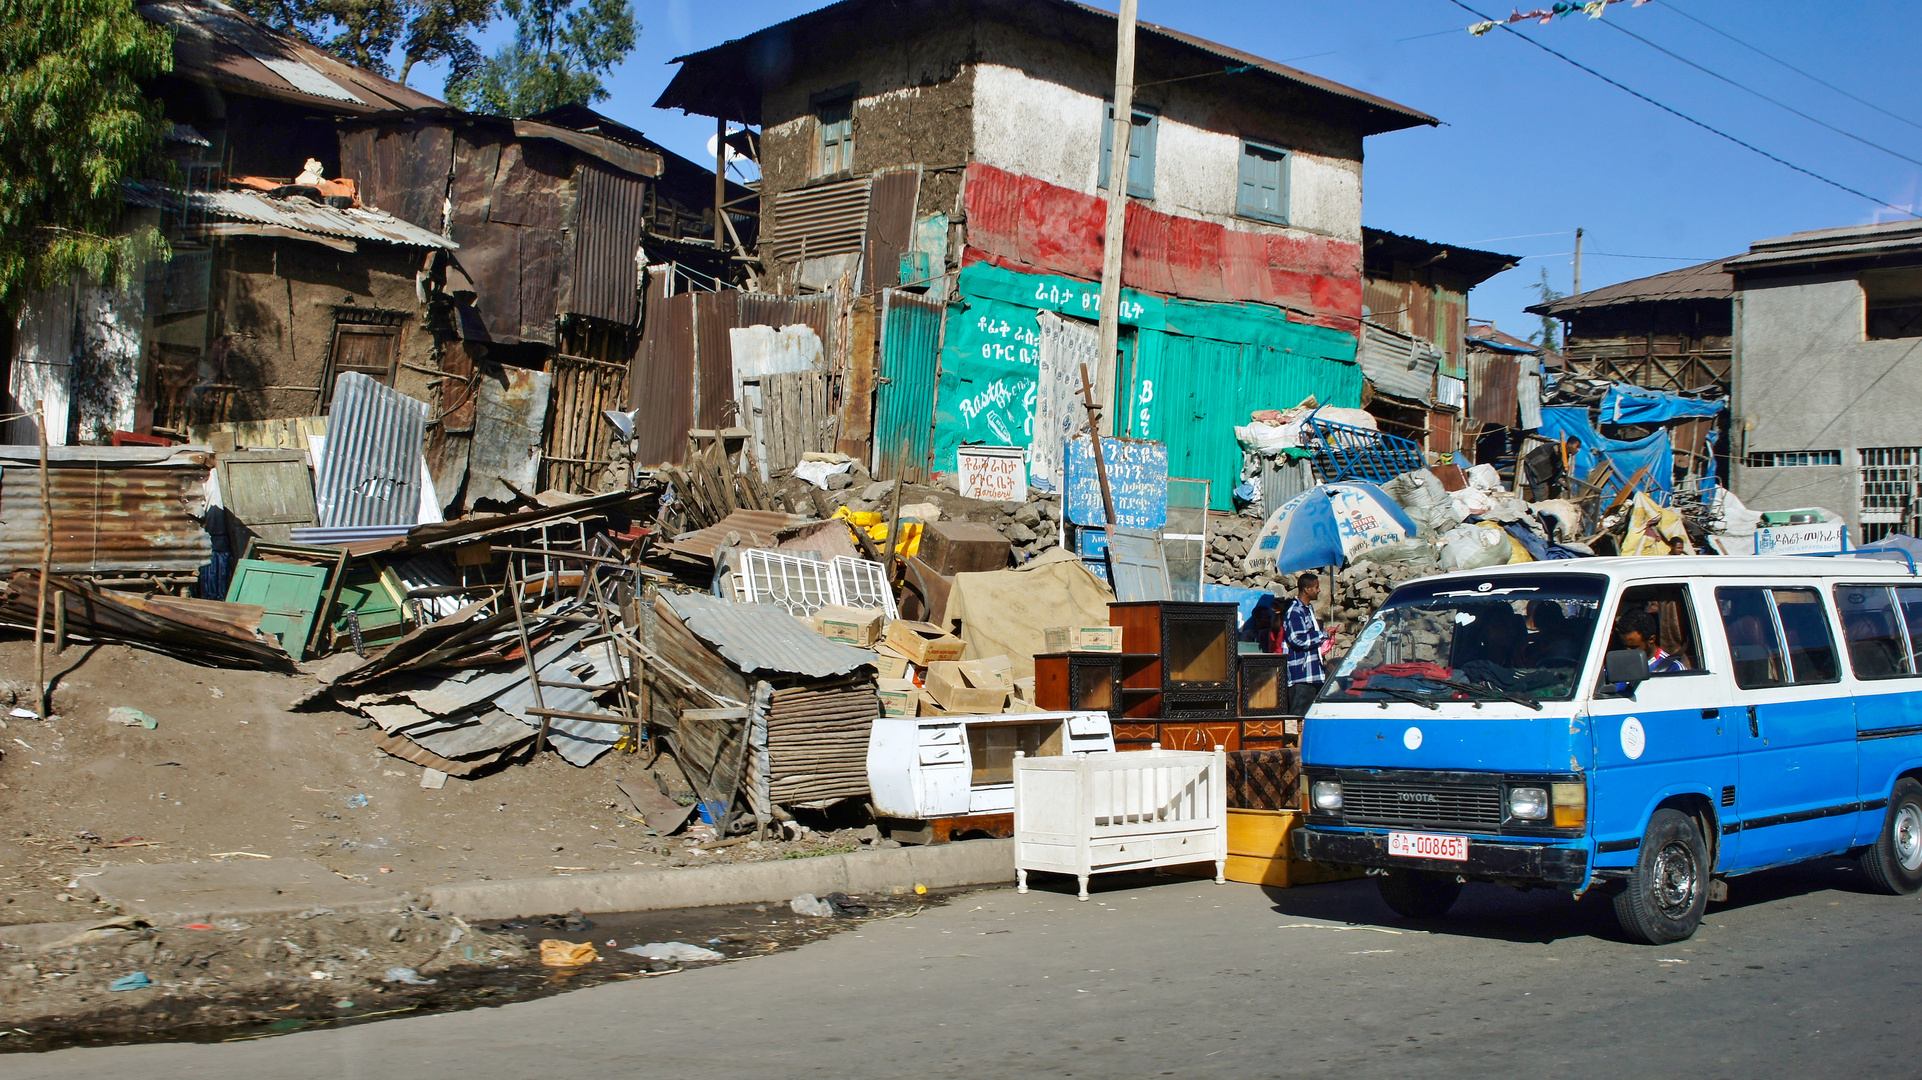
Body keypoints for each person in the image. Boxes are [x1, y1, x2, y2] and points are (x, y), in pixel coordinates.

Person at [1281, 573, 1330, 715]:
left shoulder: (1308, 610)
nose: (1319, 590)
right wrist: (1323, 635)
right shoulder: (1295, 612)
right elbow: (1298, 639)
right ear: (1307, 589)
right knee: (1298, 716)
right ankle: (1293, 738)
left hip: (1313, 673)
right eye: (1316, 587)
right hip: (1301, 676)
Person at [1617, 610, 1685, 674]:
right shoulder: (1617, 666)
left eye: (1633, 647)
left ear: (1651, 639)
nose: (1628, 651)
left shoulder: (1672, 669)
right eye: (1625, 646)